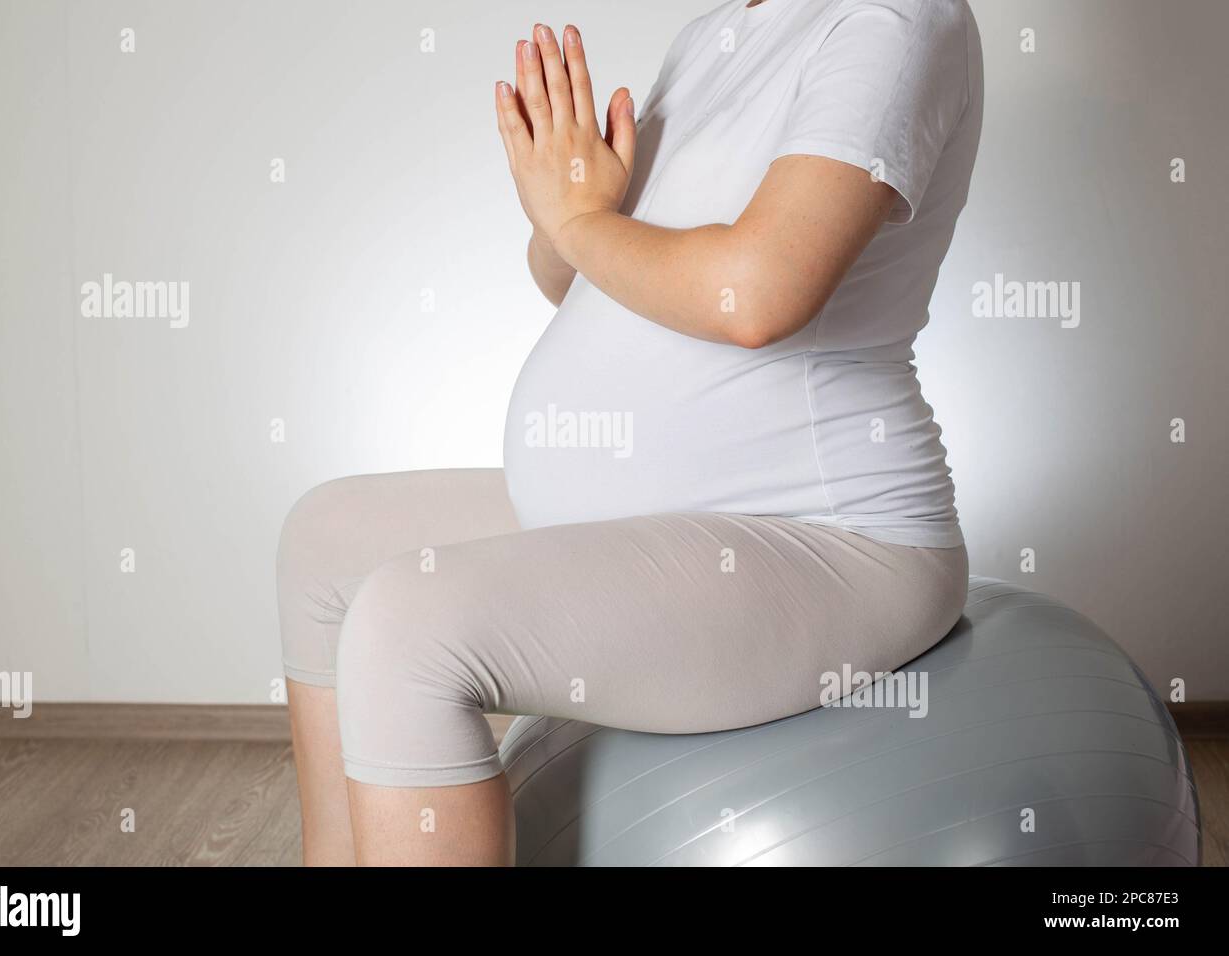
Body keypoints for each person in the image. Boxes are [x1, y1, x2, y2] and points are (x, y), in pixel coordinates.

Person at [278, 0, 983, 865]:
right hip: (661, 521)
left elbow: (758, 295)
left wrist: (583, 223)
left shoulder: (893, 22)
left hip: (822, 542)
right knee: (327, 540)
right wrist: (564, 211)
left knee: (409, 623)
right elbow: (586, 278)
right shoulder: (716, 34)